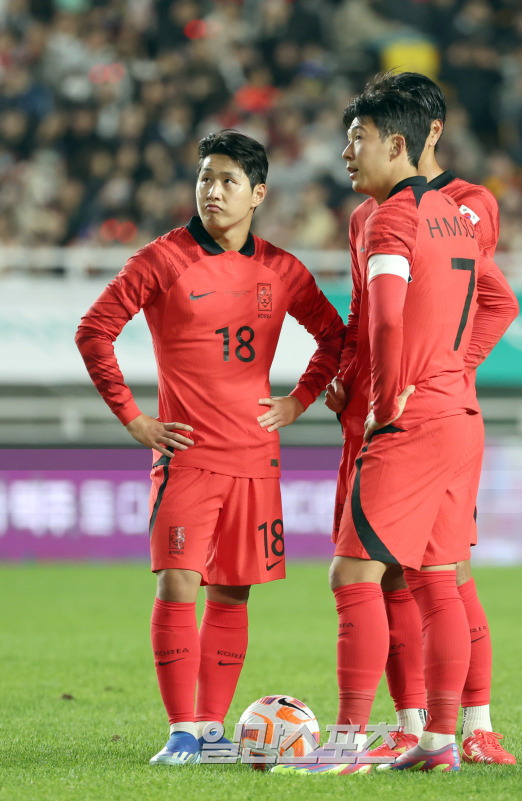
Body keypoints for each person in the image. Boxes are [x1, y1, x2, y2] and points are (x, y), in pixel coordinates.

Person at [75, 129, 345, 766]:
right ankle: (180, 733)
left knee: (231, 592)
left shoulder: (282, 269)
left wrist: (297, 402)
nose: (213, 191)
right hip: (187, 457)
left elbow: (336, 339)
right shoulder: (162, 259)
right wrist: (135, 419)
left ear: (258, 193)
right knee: (177, 586)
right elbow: (95, 331)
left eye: (227, 181)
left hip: (255, 457)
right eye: (205, 180)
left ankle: (214, 729)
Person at [274, 81, 503, 777]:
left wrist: (386, 397)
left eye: (357, 138)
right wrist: (448, 368)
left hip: (410, 419)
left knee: (353, 574)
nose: (346, 152)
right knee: (437, 578)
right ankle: (437, 739)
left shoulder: (388, 220)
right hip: (459, 416)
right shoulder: (456, 217)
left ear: (398, 142)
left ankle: (344, 743)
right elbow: (497, 300)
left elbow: (387, 318)